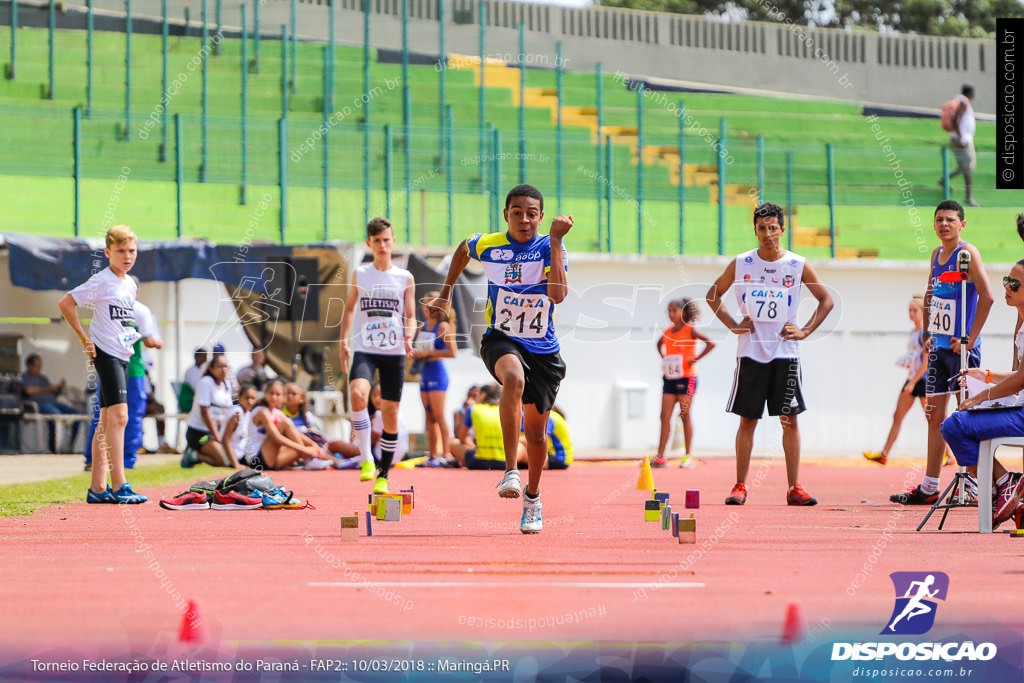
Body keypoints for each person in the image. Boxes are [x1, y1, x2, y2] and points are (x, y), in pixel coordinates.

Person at [431, 184, 571, 534]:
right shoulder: (490, 244)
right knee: (513, 378)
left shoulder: (548, 246)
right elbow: (464, 248)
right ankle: (510, 471)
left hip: (542, 349)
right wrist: (446, 293)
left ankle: (533, 498)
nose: (524, 219)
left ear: (541, 216)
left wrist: (554, 241)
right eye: (517, 212)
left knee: (537, 436)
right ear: (506, 214)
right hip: (501, 338)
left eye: (532, 213)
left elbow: (558, 295)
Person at [706, 202, 834, 507]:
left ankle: (794, 488)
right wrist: (734, 325)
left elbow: (826, 301)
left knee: (789, 420)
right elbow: (713, 294)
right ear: (755, 230)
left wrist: (803, 331)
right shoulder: (741, 263)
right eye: (762, 228)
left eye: (773, 228)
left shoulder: (797, 264)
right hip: (751, 352)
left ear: (783, 228)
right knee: (747, 420)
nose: (768, 234)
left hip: (785, 354)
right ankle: (740, 486)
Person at [890, 200, 994, 505]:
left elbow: (987, 297)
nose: (944, 224)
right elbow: (930, 293)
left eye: (950, 219)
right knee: (934, 415)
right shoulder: (937, 254)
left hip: (961, 352)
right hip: (938, 349)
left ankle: (975, 482)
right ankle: (930, 485)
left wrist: (969, 340)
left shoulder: (967, 253)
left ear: (961, 224)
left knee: (966, 416)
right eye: (939, 220)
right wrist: (926, 331)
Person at [57, 225, 147, 504]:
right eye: (120, 251)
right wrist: (85, 339)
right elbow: (66, 303)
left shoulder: (130, 283)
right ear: (108, 253)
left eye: (131, 250)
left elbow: (121, 317)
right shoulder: (101, 280)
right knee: (120, 417)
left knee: (107, 420)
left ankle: (98, 488)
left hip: (123, 353)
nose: (127, 256)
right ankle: (120, 484)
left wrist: (131, 336)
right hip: (105, 353)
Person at [940, 260, 1024, 528]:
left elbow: (1022, 378)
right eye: (1006, 280)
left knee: (954, 425)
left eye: (1015, 284)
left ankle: (1004, 482)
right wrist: (986, 376)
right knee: (956, 424)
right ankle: (1004, 487)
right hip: (1020, 408)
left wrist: (982, 396)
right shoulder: (1020, 322)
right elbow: (1017, 375)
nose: (1007, 288)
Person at [338, 217, 416, 494]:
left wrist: (409, 336)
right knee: (358, 394)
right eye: (377, 241)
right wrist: (343, 341)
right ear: (369, 244)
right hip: (366, 349)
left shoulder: (405, 277)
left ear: (393, 242)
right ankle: (367, 459)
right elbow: (349, 309)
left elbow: (410, 315)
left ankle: (383, 475)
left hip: (394, 352)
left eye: (387, 240)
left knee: (390, 413)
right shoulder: (361, 273)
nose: (382, 245)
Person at [863, 294, 929, 465]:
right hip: (912, 378)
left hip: (922, 379)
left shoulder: (924, 333)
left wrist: (914, 382)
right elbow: (915, 356)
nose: (911, 314)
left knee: (932, 419)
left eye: (915, 310)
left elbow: (927, 361)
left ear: (922, 312)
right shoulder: (913, 332)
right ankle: (884, 454)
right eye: (910, 310)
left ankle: (949, 456)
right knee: (897, 415)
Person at [652, 298, 715, 468]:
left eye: (674, 310)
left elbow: (711, 343)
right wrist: (665, 358)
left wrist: (695, 359)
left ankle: (688, 456)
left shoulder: (690, 330)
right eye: (669, 311)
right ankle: (660, 456)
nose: (670, 314)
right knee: (664, 416)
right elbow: (658, 344)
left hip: (687, 378)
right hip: (670, 378)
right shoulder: (668, 331)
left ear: (684, 312)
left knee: (684, 414)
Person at [412, 290, 457, 466]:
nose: (427, 308)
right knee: (429, 416)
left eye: (431, 305)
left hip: (438, 373)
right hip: (424, 371)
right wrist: (415, 354)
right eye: (426, 305)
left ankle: (445, 453)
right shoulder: (421, 326)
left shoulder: (442, 327)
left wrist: (428, 353)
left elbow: (452, 352)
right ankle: (433, 455)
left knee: (439, 415)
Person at [242, 379, 325, 470]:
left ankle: (337, 462)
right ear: (265, 394)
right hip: (257, 459)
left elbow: (296, 433)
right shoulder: (262, 412)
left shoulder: (278, 413)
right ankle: (308, 460)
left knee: (307, 445)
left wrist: (313, 445)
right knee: (287, 423)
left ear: (283, 397)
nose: (274, 397)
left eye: (278, 394)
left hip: (272, 458)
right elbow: (277, 437)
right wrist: (305, 450)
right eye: (271, 393)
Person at [282, 382, 360, 467]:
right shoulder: (281, 414)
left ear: (302, 399)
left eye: (293, 394)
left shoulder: (306, 415)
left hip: (313, 443)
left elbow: (313, 431)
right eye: (287, 393)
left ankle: (363, 456)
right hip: (298, 446)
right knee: (307, 442)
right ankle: (338, 462)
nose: (290, 396)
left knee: (336, 444)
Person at [179, 354, 237, 468]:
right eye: (220, 366)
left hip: (218, 432)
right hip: (200, 433)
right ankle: (193, 455)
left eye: (226, 366)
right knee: (223, 460)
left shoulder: (226, 385)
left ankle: (200, 453)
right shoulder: (206, 382)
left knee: (234, 458)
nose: (223, 370)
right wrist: (216, 436)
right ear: (211, 368)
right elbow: (204, 412)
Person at [449, 383, 522, 469]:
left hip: (478, 461)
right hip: (505, 462)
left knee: (451, 442)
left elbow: (462, 438)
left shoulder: (473, 409)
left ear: (483, 395)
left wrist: (473, 447)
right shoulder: (507, 411)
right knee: (522, 447)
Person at [20, 354, 82, 453]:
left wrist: (58, 388)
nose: (39, 369)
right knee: (55, 414)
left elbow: (52, 393)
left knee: (76, 414)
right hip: (37, 404)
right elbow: (29, 391)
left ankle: (70, 447)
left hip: (52, 402)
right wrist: (49, 388)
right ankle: (54, 447)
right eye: (37, 366)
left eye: (40, 366)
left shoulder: (43, 378)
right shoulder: (25, 377)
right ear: (29, 366)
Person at [943, 83, 979, 208]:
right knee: (967, 169)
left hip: (958, 139)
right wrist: (962, 137)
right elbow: (956, 119)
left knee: (963, 167)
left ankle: (944, 181)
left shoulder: (958, 100)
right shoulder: (963, 102)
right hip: (962, 141)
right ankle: (968, 198)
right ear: (969, 93)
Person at [222, 383, 258, 469]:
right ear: (240, 398)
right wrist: (235, 464)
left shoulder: (248, 414)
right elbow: (225, 439)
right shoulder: (237, 414)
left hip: (242, 455)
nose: (250, 401)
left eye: (253, 398)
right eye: (247, 397)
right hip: (229, 457)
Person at [178, 347, 207, 414]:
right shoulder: (191, 371)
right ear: (196, 357)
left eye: (205, 357)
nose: (204, 359)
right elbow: (198, 389)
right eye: (202, 356)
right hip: (189, 403)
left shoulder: (205, 370)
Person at [545, 405, 573, 470]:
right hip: (558, 457)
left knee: (522, 449)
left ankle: (515, 468)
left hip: (559, 458)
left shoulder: (549, 416)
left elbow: (538, 439)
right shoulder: (549, 415)